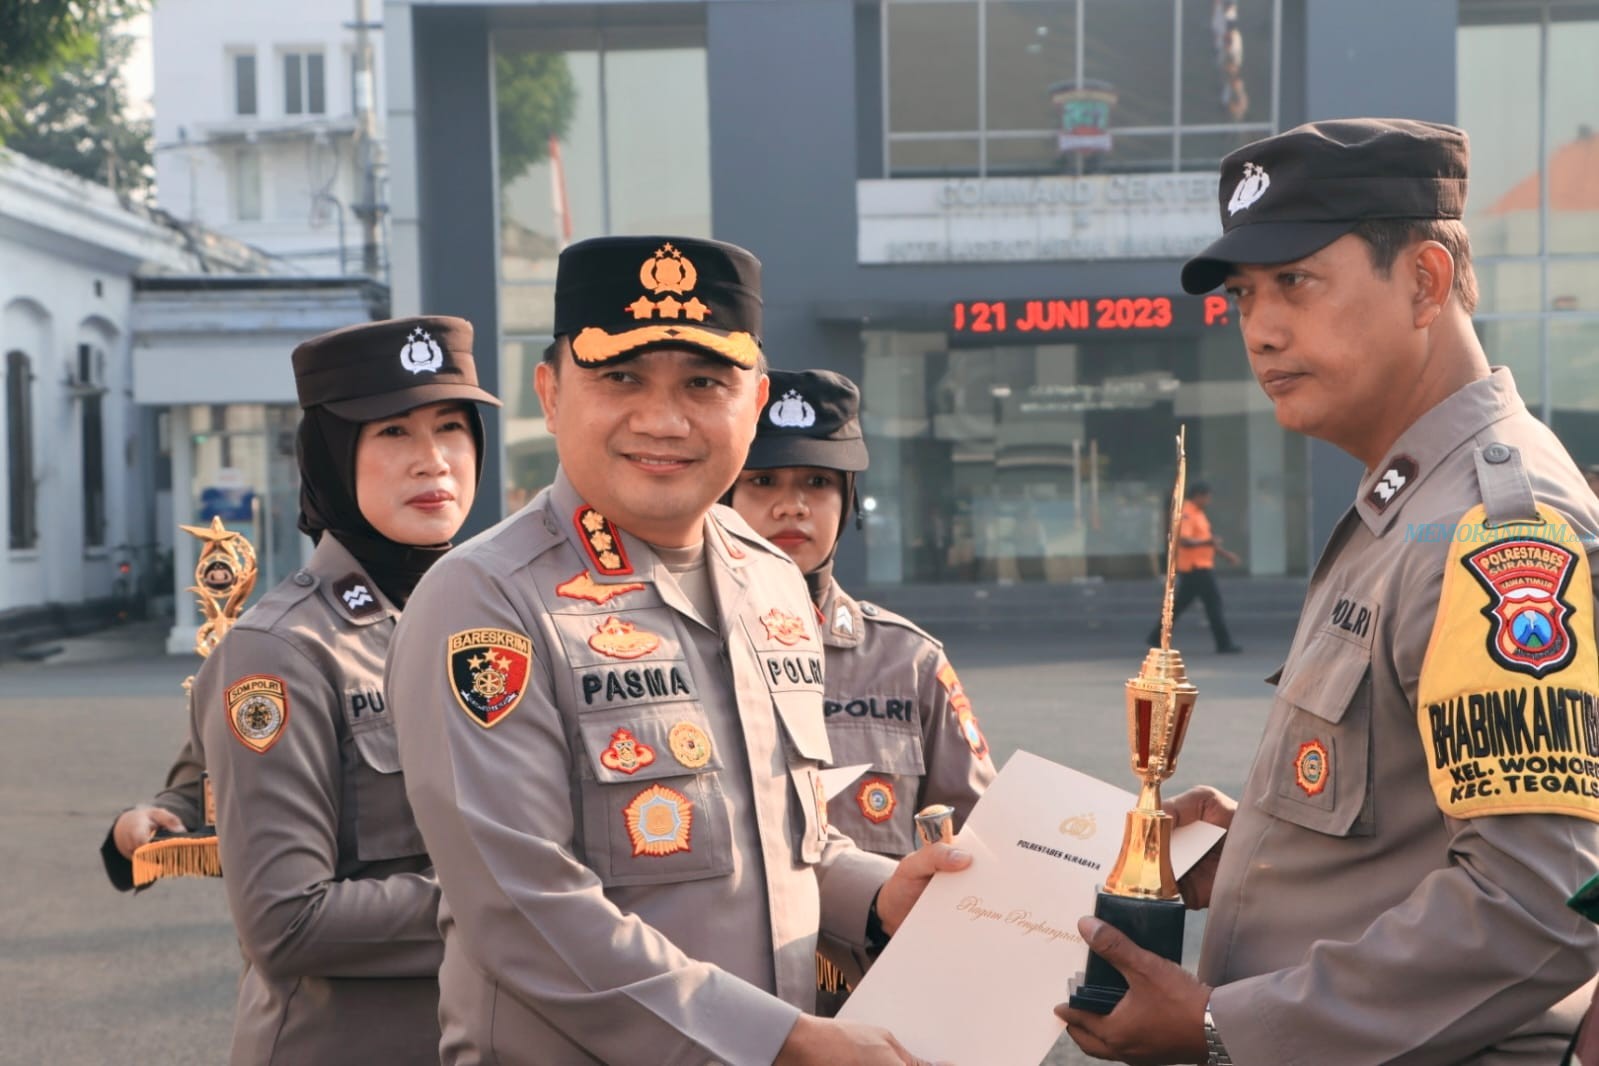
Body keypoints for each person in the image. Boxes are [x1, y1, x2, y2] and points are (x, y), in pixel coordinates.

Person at [1057, 118, 1599, 1065]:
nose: (1260, 329)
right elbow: (1406, 825)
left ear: (1424, 281)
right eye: (1242, 297)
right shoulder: (1407, 502)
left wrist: (1223, 1026)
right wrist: (1266, 860)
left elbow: (1542, 898)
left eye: (1295, 283)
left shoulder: (1495, 529)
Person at [385, 235, 969, 1065]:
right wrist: (780, 1043)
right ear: (549, 394)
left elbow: (781, 838)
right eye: (620, 377)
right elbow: (522, 908)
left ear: (755, 399)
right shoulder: (485, 599)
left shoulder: (769, 580)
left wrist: (880, 898)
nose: (663, 419)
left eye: (704, 383)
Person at [182, 315, 500, 1065]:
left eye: (451, 428)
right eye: (393, 433)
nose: (434, 462)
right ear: (330, 456)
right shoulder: (280, 650)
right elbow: (285, 919)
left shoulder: (499, 621)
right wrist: (522, 903)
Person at [726, 368, 998, 1012]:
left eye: (817, 483)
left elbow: (978, 835)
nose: (791, 506)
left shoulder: (908, 660)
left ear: (848, 501)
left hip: (881, 1004)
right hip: (733, 1010)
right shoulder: (676, 654)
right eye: (763, 481)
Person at [1144, 480, 1242, 654]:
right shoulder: (1187, 512)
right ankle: (1224, 643)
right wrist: (1208, 542)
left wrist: (1226, 555)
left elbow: (1206, 540)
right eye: (1207, 497)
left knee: (1180, 605)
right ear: (1198, 496)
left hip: (1199, 567)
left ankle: (1155, 636)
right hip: (1195, 568)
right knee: (1213, 605)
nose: (1208, 501)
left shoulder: (1198, 513)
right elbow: (1185, 540)